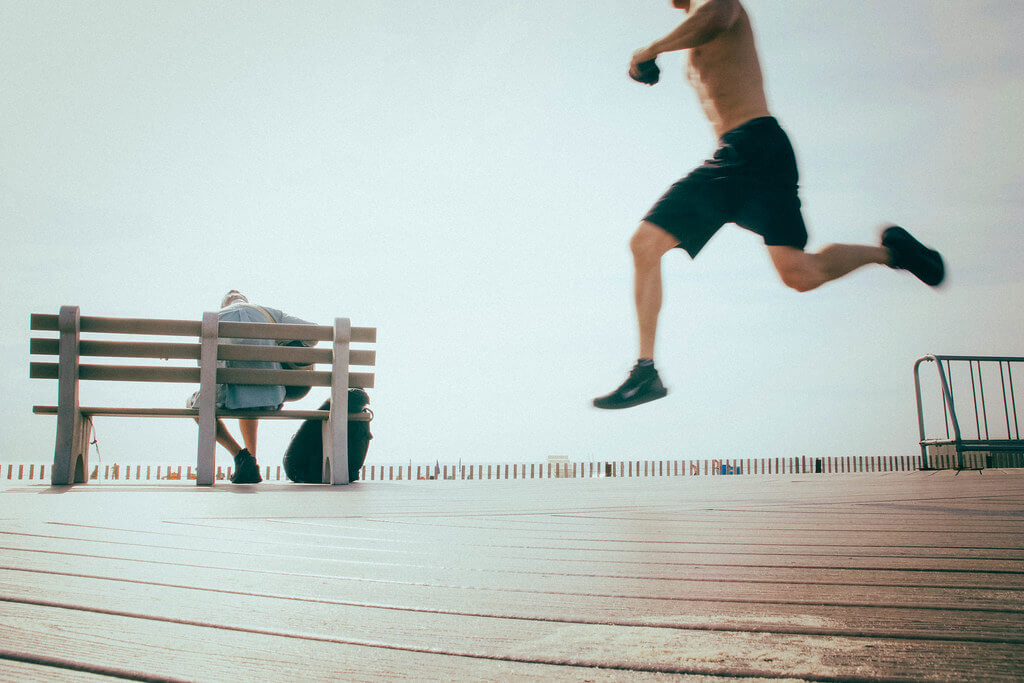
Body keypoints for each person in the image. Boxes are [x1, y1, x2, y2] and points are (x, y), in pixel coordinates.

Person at [593, 0, 944, 410]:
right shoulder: (691, 27)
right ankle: (894, 252)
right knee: (800, 273)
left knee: (644, 244)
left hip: (751, 147)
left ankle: (645, 372)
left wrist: (649, 51)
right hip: (752, 153)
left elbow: (717, 17)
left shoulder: (715, 7)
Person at [188, 290, 314, 483]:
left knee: (196, 405)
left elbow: (203, 368)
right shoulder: (271, 314)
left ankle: (240, 455)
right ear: (246, 301)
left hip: (230, 399)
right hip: (270, 398)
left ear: (224, 305)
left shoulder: (212, 320)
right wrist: (283, 343)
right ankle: (252, 462)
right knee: (251, 395)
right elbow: (313, 333)